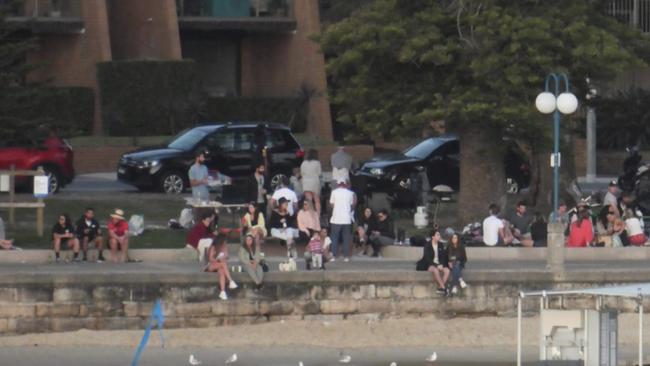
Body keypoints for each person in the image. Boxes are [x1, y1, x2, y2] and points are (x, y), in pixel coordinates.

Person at [329, 178, 356, 262]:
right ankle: (346, 256)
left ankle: (333, 255)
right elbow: (352, 205)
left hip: (336, 219)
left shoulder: (334, 192)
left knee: (334, 237)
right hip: (346, 219)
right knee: (346, 238)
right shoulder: (351, 193)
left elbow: (332, 204)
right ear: (346, 184)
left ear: (338, 184)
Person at [416, 229, 450, 295]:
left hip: (439, 264)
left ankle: (440, 288)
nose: (439, 236)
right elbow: (427, 258)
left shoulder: (440, 245)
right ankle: (443, 287)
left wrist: (442, 264)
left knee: (447, 271)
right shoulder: (427, 245)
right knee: (435, 270)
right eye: (437, 235)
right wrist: (436, 265)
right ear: (433, 236)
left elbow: (443, 256)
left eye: (439, 235)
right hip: (429, 264)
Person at [205, 233, 238, 300]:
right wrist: (217, 259)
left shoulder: (224, 247)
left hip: (219, 265)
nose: (225, 242)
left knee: (222, 272)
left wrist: (224, 256)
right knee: (223, 264)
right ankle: (231, 281)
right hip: (211, 265)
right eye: (224, 241)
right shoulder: (213, 247)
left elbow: (226, 256)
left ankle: (222, 292)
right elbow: (210, 259)